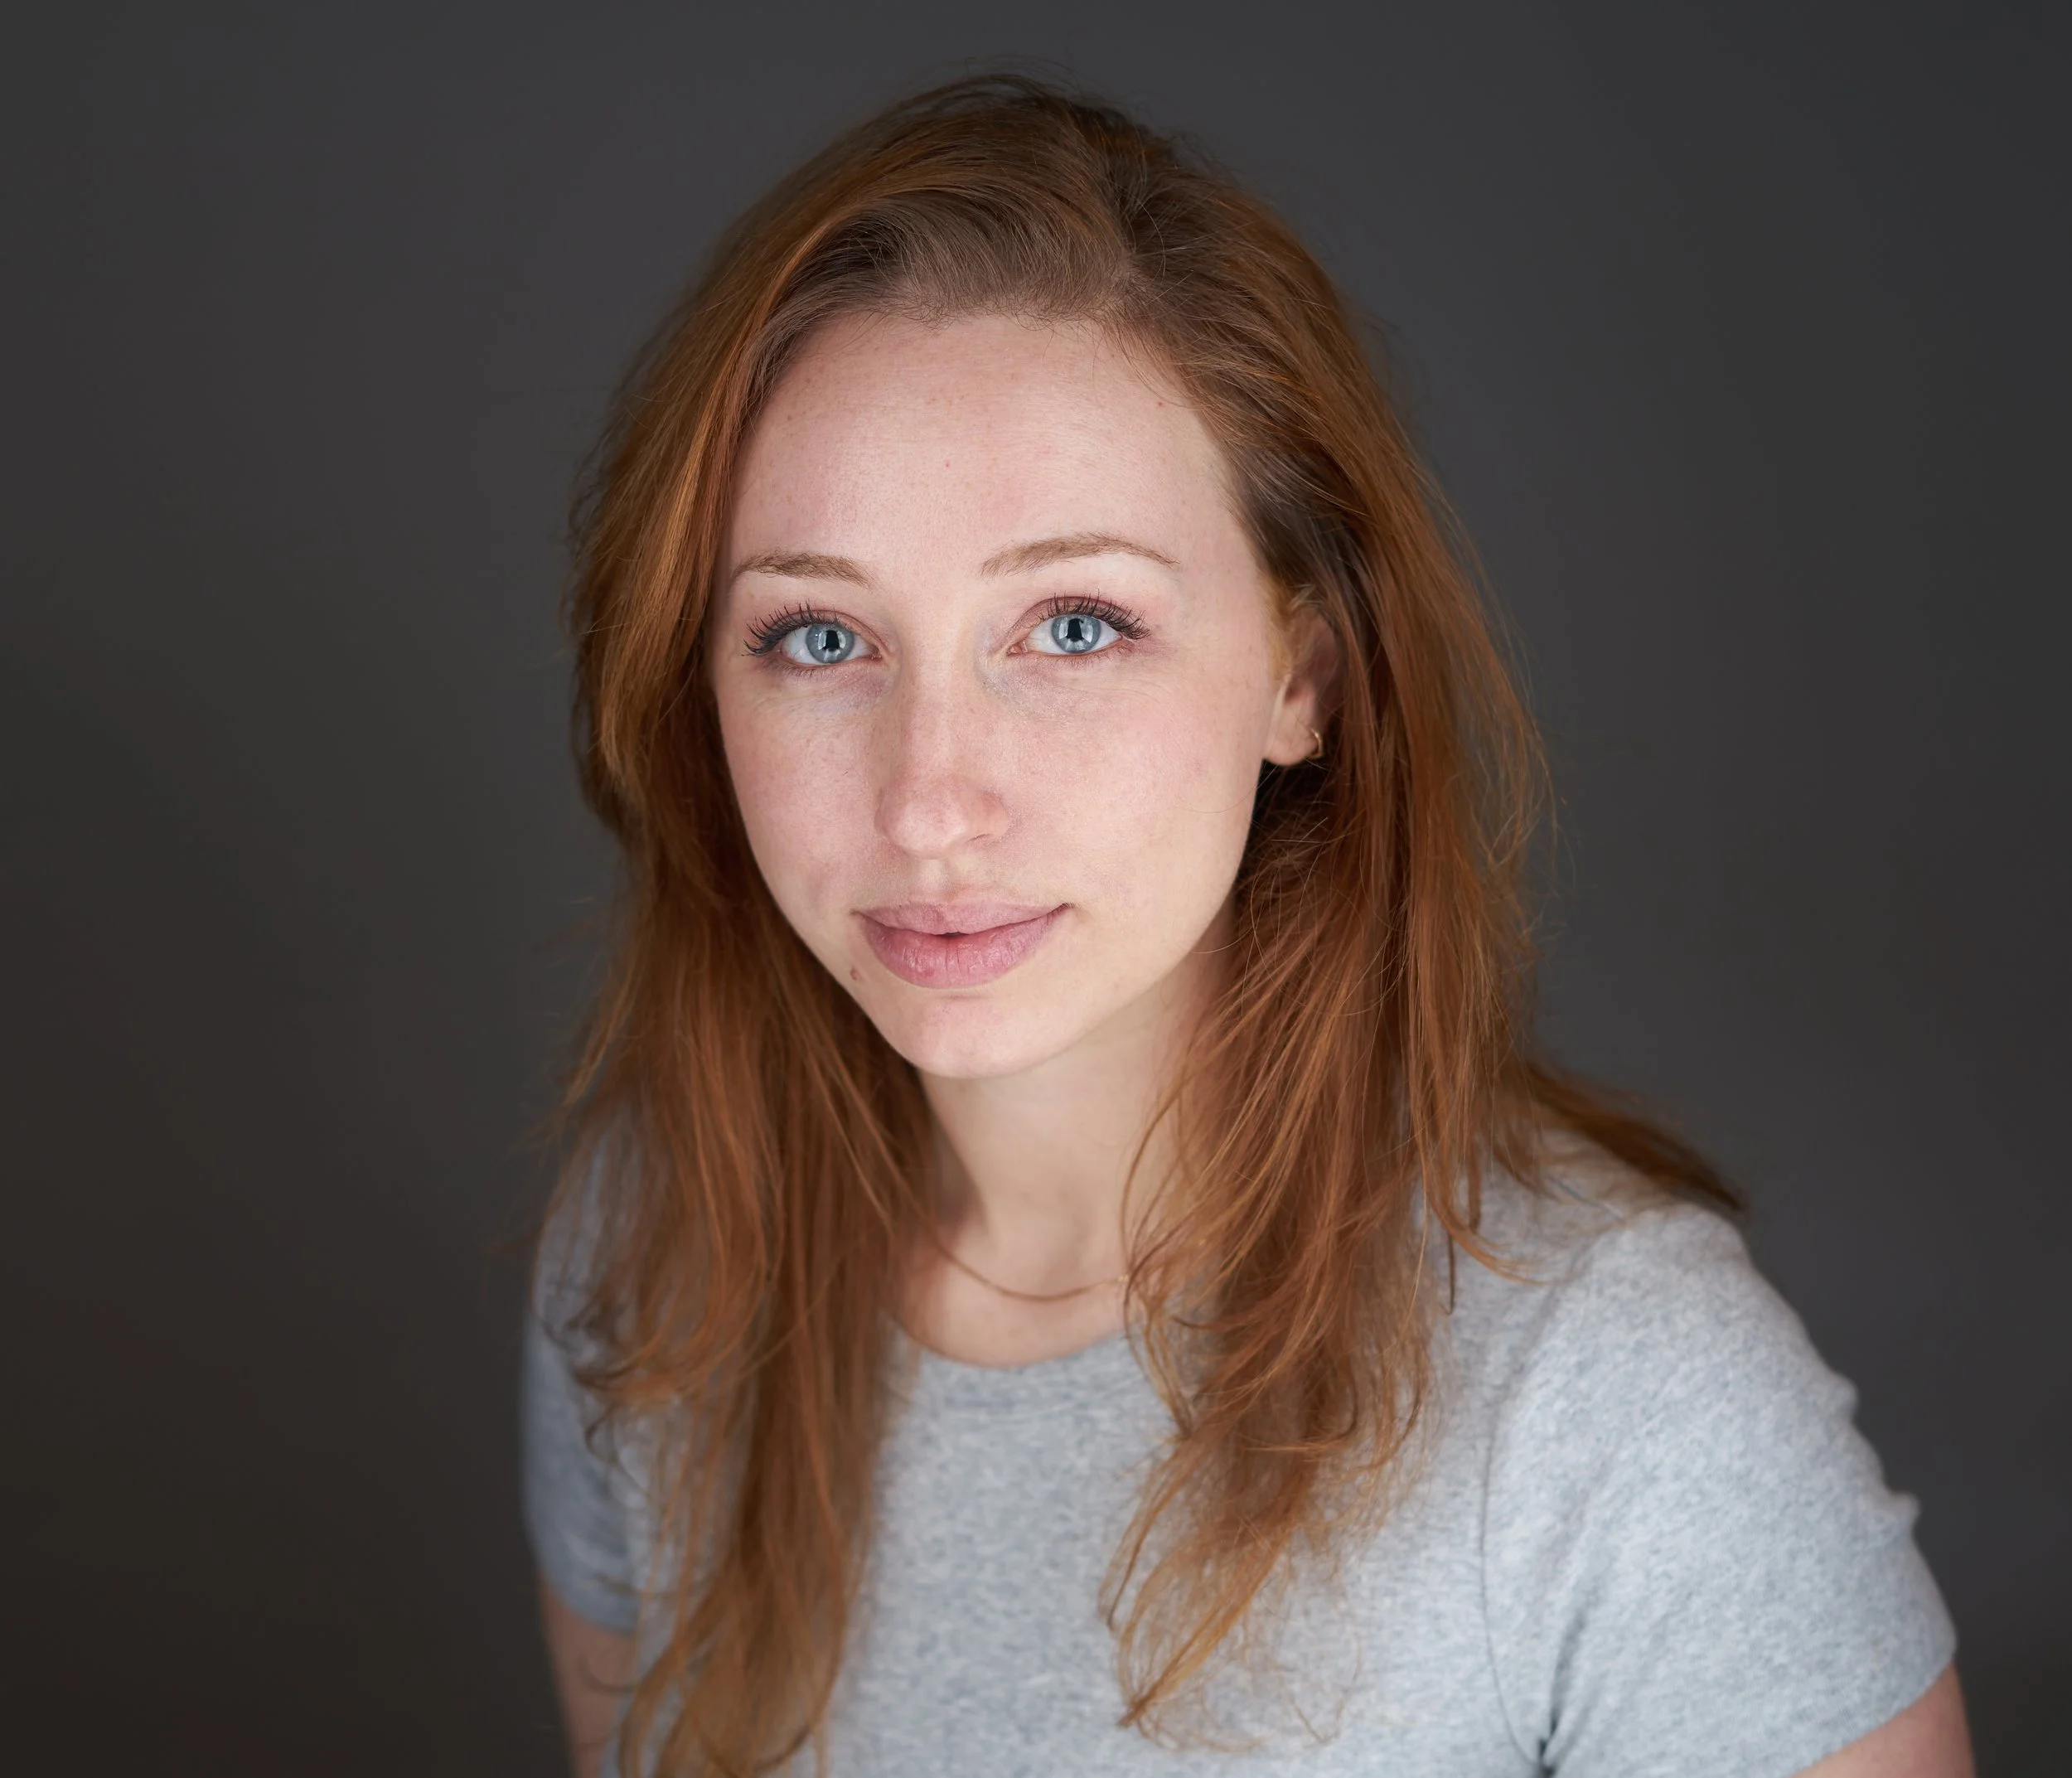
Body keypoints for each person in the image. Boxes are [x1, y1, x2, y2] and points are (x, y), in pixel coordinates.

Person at [520, 75, 1970, 1778]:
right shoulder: (655, 1250)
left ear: (1301, 670)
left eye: (1072, 625)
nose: (928, 798)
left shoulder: (1619, 1399)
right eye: (818, 640)